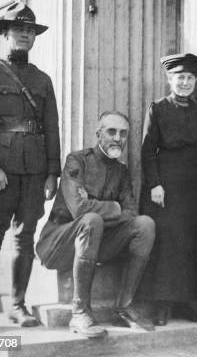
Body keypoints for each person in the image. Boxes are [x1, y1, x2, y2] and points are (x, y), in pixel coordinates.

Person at [0, 2, 61, 333]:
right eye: (18, 29)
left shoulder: (43, 80)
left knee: (25, 238)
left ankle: (18, 305)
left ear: (34, 38)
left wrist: (52, 173)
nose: (24, 34)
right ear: (5, 33)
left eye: (30, 30)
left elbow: (52, 127)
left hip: (34, 169)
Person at [36, 111, 156, 338]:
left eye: (123, 133)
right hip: (58, 245)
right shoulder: (77, 160)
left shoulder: (121, 171)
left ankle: (125, 305)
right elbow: (79, 209)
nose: (117, 138)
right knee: (91, 220)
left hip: (97, 243)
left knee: (145, 224)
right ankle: (80, 312)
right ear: (98, 133)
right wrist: (115, 207)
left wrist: (99, 206)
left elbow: (132, 212)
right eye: (111, 131)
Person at [137, 53, 197, 326]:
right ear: (170, 79)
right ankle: (162, 305)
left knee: (191, 241)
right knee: (167, 244)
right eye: (180, 78)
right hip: (166, 186)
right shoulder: (157, 108)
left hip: (195, 185)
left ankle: (186, 303)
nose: (185, 83)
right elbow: (147, 150)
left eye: (190, 78)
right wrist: (155, 183)